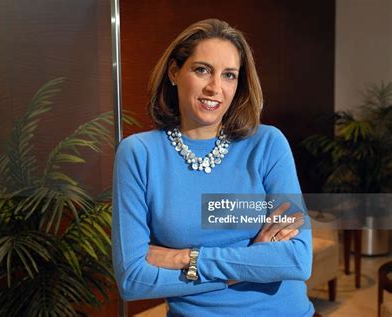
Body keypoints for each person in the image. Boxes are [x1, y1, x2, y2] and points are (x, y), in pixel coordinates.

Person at [112, 18, 314, 316]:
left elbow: (296, 259)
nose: (215, 88)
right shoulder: (139, 154)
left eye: (229, 75)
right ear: (174, 72)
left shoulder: (268, 144)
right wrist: (251, 261)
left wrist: (189, 258)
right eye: (202, 70)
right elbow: (133, 280)